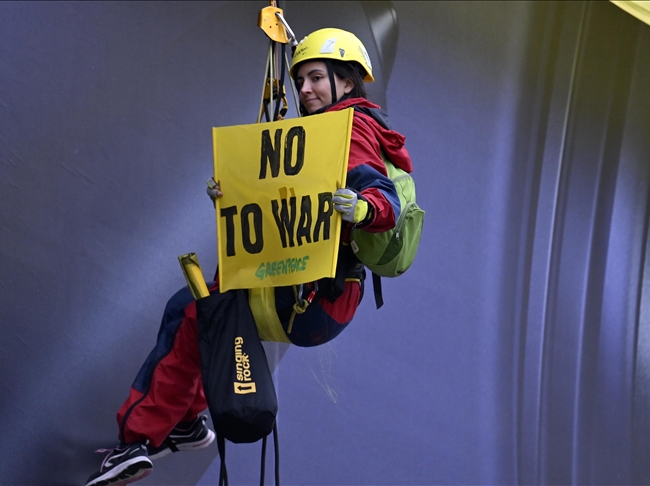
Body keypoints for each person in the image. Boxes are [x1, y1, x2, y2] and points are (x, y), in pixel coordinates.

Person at [84, 27, 413, 486]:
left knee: (197, 311)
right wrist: (234, 194)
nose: (304, 90)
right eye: (300, 81)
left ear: (347, 80)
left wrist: (362, 207)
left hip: (313, 297)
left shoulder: (350, 128)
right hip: (317, 295)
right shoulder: (318, 132)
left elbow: (386, 203)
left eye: (317, 78)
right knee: (196, 309)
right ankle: (185, 422)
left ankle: (137, 441)